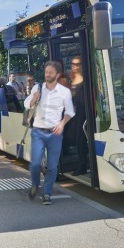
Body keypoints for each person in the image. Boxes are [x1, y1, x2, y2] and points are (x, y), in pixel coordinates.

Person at [24, 61, 74, 205]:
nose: (47, 75)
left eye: (50, 73)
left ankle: (46, 193)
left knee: (52, 167)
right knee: (35, 164)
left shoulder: (64, 92)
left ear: (57, 75)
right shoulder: (37, 87)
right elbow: (27, 105)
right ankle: (35, 185)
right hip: (38, 132)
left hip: (54, 134)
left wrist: (62, 124)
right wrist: (34, 98)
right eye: (46, 72)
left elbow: (70, 112)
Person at [65, 56, 87, 176]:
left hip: (84, 112)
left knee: (81, 139)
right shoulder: (71, 78)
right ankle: (80, 163)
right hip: (74, 113)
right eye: (73, 64)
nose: (75, 66)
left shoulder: (86, 79)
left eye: (77, 64)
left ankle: (82, 165)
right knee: (75, 138)